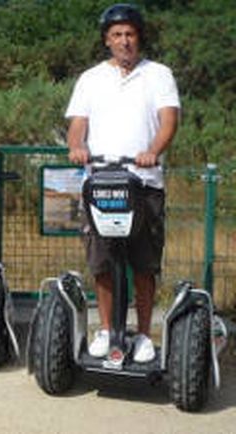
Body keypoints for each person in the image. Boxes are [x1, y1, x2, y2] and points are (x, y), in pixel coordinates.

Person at [66, 4, 180, 363]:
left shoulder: (158, 74)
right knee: (102, 262)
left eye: (130, 33)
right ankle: (105, 330)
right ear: (107, 40)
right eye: (117, 35)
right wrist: (77, 147)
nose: (124, 40)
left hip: (144, 182)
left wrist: (152, 151)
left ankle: (144, 334)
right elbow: (77, 125)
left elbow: (169, 121)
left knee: (143, 264)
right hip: (100, 182)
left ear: (138, 36)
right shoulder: (90, 78)